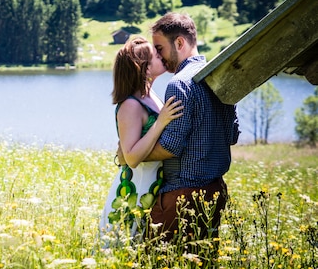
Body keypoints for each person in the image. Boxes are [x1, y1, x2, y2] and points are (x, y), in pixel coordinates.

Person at [145, 13, 240, 255]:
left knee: (156, 259)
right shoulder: (219, 76)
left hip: (182, 195)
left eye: (160, 48)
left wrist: (132, 154)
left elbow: (170, 147)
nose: (159, 57)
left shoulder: (179, 84)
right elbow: (232, 136)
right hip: (215, 191)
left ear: (179, 43)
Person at [99, 36, 183, 246]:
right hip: (133, 191)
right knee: (119, 249)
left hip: (152, 186)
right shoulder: (131, 105)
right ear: (144, 68)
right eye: (156, 54)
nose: (161, 55)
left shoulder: (150, 95)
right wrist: (161, 122)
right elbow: (132, 157)